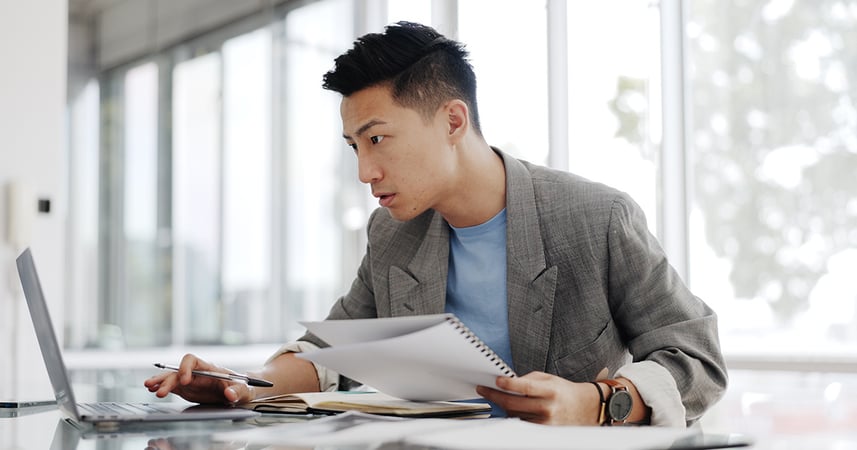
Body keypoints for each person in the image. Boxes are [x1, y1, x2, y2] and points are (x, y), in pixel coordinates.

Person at [145, 21, 727, 427]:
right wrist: (245, 384)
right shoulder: (392, 233)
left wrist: (600, 402)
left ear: (452, 119)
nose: (365, 171)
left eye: (377, 139)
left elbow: (697, 360)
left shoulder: (596, 218)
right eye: (353, 146)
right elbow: (331, 348)